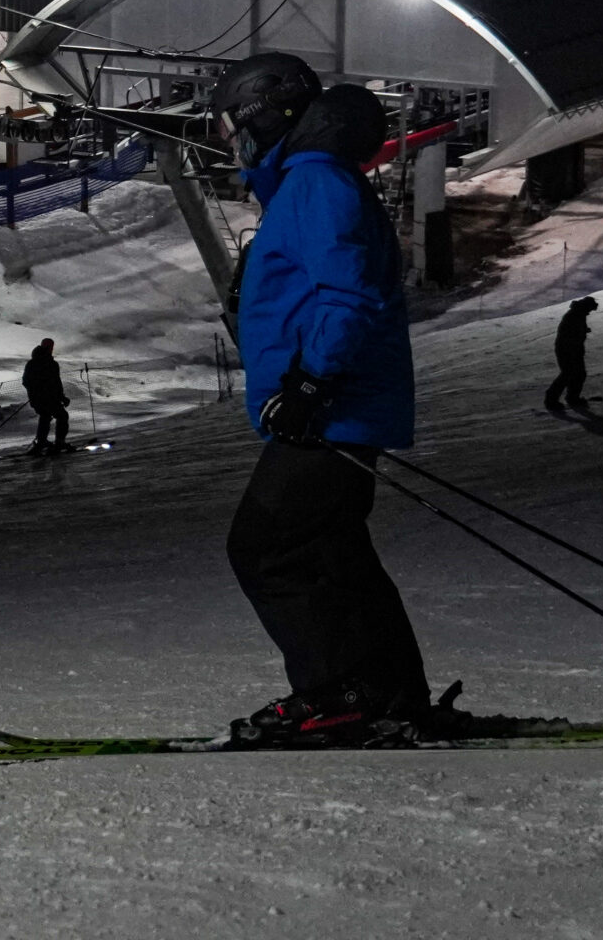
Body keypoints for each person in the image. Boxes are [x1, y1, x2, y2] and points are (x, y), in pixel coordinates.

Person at [213, 52, 431, 747]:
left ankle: (338, 692)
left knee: (268, 547)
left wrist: (311, 382)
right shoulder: (310, 185)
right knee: (333, 551)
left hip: (329, 405)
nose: (231, 143)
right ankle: (389, 691)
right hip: (333, 402)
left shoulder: (315, 186)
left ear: (260, 115)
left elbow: (348, 293)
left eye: (232, 126)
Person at [544, 297, 598, 410]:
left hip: (573, 349)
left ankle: (572, 398)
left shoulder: (579, 313)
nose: (589, 312)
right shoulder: (575, 315)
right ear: (586, 307)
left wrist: (583, 330)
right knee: (567, 374)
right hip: (567, 350)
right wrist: (580, 334)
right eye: (590, 310)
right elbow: (569, 333)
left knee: (579, 374)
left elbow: (573, 331)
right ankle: (551, 400)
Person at [22, 338, 70, 456]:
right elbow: (55, 383)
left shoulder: (33, 363)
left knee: (45, 417)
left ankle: (41, 442)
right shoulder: (49, 364)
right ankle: (59, 442)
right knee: (62, 416)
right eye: (50, 347)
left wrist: (61, 397)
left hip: (39, 399)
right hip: (47, 398)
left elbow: (26, 381)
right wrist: (42, 390)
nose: (51, 349)